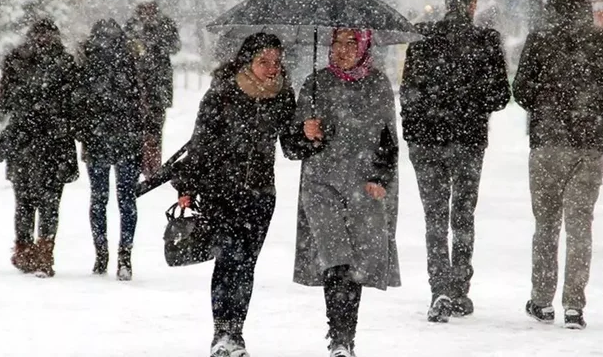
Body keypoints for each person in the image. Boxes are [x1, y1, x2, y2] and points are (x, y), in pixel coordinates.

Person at [512, 0, 603, 329]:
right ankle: (574, 305)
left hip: (548, 144)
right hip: (590, 146)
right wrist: (597, 111)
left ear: (552, 5)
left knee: (546, 224)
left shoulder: (539, 41)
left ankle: (541, 300)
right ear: (587, 5)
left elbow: (520, 90)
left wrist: (547, 102)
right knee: (581, 226)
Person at [172, 33, 302, 357]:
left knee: (245, 265)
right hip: (221, 191)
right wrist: (188, 186)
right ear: (248, 61)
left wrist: (308, 134)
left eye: (276, 62)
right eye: (264, 62)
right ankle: (222, 333)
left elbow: (291, 147)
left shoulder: (283, 96)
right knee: (228, 258)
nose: (272, 68)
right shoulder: (222, 93)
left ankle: (236, 333)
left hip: (261, 195)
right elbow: (200, 143)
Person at [400, 0, 510, 322]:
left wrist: (415, 131)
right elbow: (499, 97)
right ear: (473, 2)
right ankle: (461, 288)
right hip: (468, 140)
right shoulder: (486, 41)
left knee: (434, 216)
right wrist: (470, 101)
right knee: (462, 214)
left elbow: (409, 92)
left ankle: (440, 288)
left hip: (427, 140)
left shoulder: (422, 37)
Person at [292, 28, 400, 357]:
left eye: (351, 43)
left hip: (363, 184)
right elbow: (293, 146)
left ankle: (346, 336)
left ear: (364, 46)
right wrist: (305, 131)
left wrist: (380, 177)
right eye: (337, 42)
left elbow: (388, 140)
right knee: (335, 259)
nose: (342, 50)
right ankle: (338, 336)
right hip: (321, 184)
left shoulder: (378, 85)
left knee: (355, 262)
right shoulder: (315, 83)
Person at [0, 18, 79, 278]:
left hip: (25, 140)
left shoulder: (17, 60)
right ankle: (43, 253)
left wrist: (26, 104)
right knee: (49, 201)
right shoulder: (65, 64)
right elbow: (74, 104)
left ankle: (26, 250)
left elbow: (4, 102)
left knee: (25, 201)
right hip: (54, 141)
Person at [76, 19, 144, 280]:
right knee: (126, 200)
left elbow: (80, 102)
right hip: (125, 138)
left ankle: (101, 253)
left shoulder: (87, 61)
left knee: (99, 198)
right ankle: (124, 255)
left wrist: (84, 131)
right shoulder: (129, 60)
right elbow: (138, 102)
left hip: (97, 139)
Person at [124, 0, 181, 178]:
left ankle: (153, 166)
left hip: (158, 85)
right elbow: (124, 48)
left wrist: (156, 44)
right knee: (137, 128)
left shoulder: (165, 24)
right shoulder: (132, 26)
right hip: (136, 85)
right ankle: (139, 163)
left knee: (155, 128)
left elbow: (175, 46)